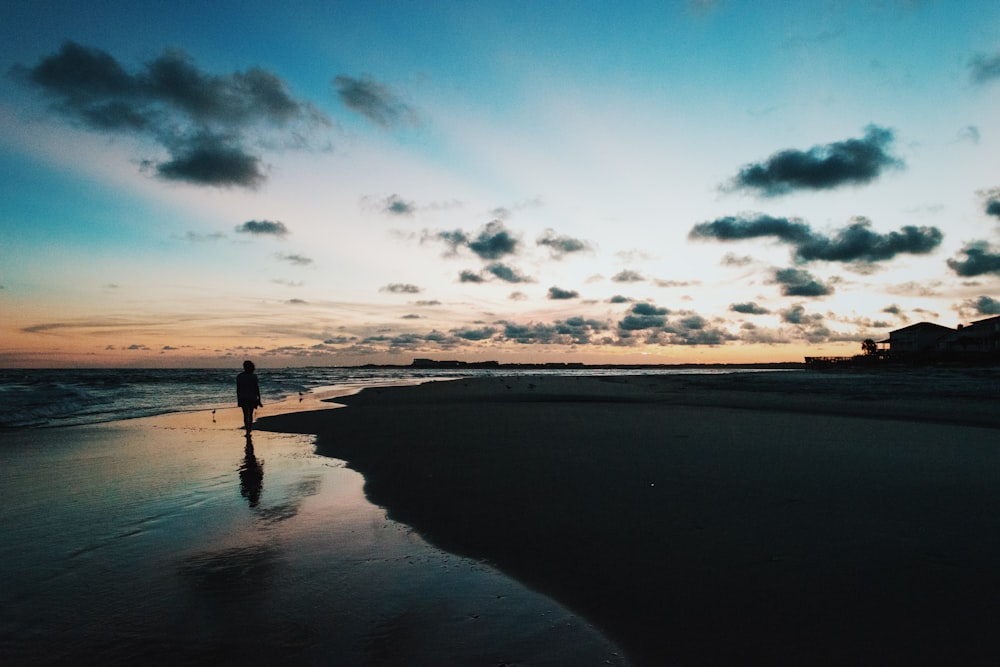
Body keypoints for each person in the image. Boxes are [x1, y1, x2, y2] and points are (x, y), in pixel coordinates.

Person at [236, 360, 262, 433]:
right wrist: (259, 398)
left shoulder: (240, 376)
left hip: (243, 397)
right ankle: (249, 429)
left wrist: (238, 399)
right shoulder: (253, 376)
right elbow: (256, 388)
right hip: (252, 397)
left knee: (245, 414)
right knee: (250, 414)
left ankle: (247, 429)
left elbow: (238, 389)